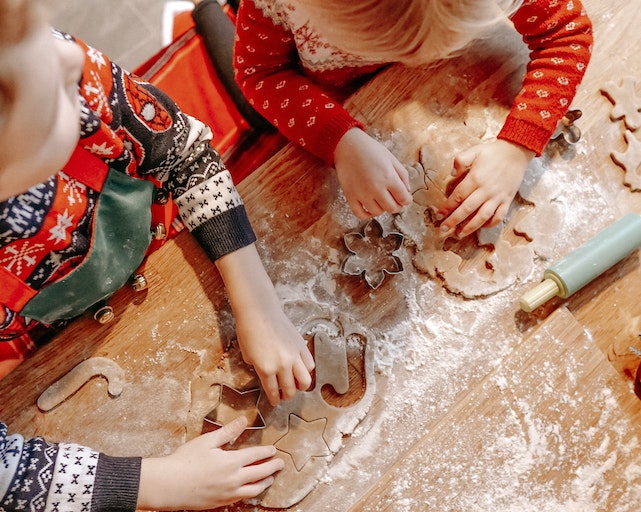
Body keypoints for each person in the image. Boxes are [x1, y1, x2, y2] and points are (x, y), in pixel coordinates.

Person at [0, 0, 315, 510]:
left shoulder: (54, 61)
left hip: (158, 239)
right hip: (51, 324)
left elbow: (185, 156)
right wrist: (155, 485)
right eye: (55, 91)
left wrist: (258, 305)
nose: (72, 61)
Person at [233, 0, 593, 238]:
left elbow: (567, 33)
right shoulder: (278, 5)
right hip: (318, 84)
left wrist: (518, 146)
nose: (417, 61)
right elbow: (259, 74)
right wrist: (339, 140)